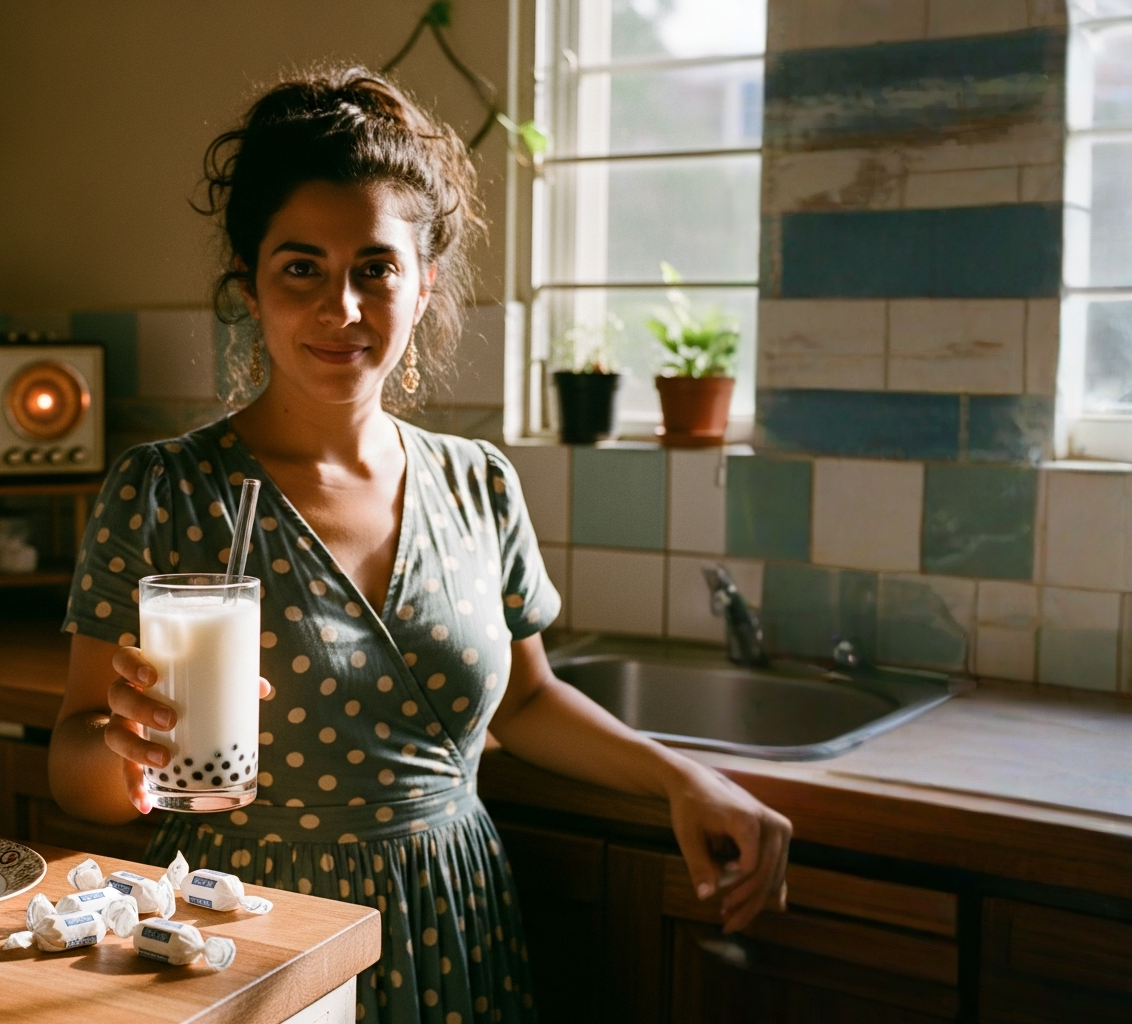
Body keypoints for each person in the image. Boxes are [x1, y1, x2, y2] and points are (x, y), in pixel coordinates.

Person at [50, 66, 791, 1024]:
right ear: (250, 284)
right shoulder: (165, 490)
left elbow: (527, 701)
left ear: (425, 280)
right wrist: (126, 752)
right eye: (302, 268)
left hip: (456, 922)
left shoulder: (479, 483)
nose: (342, 307)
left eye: (376, 268)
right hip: (247, 936)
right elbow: (75, 762)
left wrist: (684, 781)